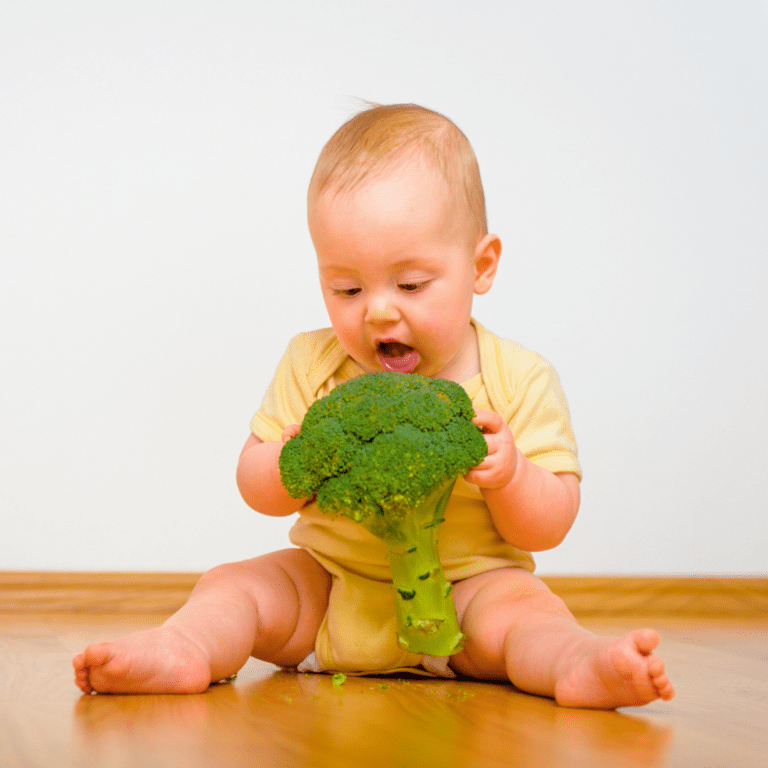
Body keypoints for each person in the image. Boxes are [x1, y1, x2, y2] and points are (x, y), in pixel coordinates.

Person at [73, 103, 674, 708]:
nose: (378, 311)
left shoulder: (519, 377)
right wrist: (293, 459)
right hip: (329, 590)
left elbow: (550, 523)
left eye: (411, 284)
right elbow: (253, 484)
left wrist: (512, 475)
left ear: (481, 265)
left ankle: (577, 663)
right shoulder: (312, 363)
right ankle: (184, 648)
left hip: (469, 595)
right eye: (347, 288)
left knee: (527, 615)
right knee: (236, 586)